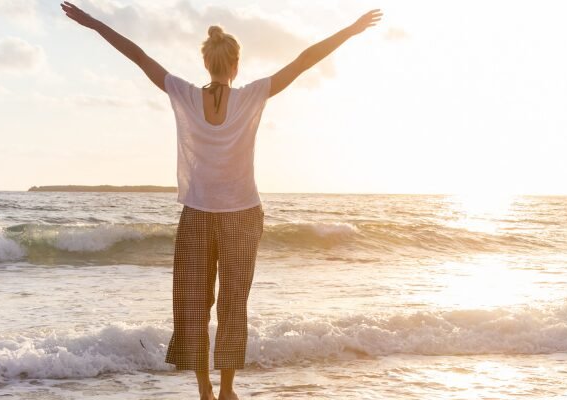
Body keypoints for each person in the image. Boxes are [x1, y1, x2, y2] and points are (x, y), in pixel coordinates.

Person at [60, 2, 382, 399]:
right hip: (243, 214)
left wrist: (94, 24)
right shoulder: (252, 95)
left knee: (193, 305)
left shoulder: (183, 92)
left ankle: (205, 391)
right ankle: (227, 389)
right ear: (235, 65)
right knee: (233, 306)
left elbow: (139, 55)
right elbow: (304, 60)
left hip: (197, 214)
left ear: (207, 62)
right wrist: (349, 30)